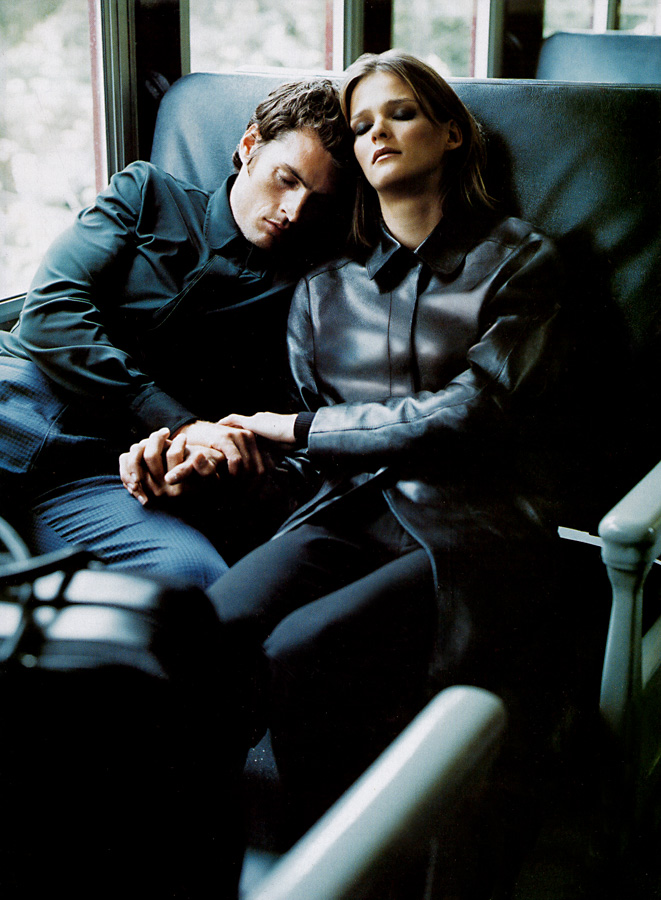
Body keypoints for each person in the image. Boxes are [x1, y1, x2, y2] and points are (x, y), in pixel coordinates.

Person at [124, 49, 571, 862]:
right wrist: (220, 460)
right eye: (361, 125)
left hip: (472, 527)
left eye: (400, 113)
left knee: (303, 650)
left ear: (452, 133)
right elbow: (314, 461)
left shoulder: (523, 262)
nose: (377, 134)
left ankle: (338, 867)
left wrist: (295, 430)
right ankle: (188, 858)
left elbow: (478, 411)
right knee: (203, 635)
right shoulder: (324, 290)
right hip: (348, 513)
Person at [0, 78, 354, 587]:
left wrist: (199, 459)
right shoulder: (147, 194)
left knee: (196, 578)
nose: (294, 211)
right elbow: (50, 313)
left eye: (318, 201)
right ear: (249, 145)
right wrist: (179, 422)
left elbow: (273, 428)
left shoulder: (310, 290)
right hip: (19, 400)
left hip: (104, 470)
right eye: (286, 180)